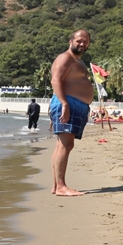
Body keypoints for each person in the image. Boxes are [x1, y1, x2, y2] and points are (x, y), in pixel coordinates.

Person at [49, 29, 94, 196]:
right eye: (79, 40)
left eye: (85, 41)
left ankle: (56, 186)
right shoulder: (65, 57)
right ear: (71, 41)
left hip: (75, 104)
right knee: (66, 145)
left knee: (63, 145)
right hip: (68, 102)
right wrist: (63, 104)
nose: (82, 44)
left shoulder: (78, 61)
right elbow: (55, 80)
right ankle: (61, 186)